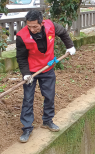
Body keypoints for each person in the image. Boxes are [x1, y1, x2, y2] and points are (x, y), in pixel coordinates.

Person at [16, 10, 76, 143]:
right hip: (31, 71)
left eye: (35, 26)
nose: (32, 29)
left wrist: (70, 46)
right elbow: (21, 57)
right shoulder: (21, 36)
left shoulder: (51, 26)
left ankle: (47, 121)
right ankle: (27, 127)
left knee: (49, 96)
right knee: (28, 99)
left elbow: (64, 33)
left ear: (41, 22)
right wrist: (26, 73)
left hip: (47, 68)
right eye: (29, 26)